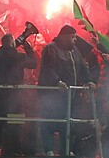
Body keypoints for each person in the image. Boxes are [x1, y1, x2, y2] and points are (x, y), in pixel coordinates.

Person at [38, 25, 96, 156]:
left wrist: (89, 81)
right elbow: (48, 68)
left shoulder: (75, 50)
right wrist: (57, 82)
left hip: (70, 95)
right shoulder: (51, 48)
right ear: (63, 37)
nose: (75, 39)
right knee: (49, 121)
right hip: (53, 95)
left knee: (67, 123)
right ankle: (49, 150)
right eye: (72, 37)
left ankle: (65, 150)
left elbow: (81, 67)